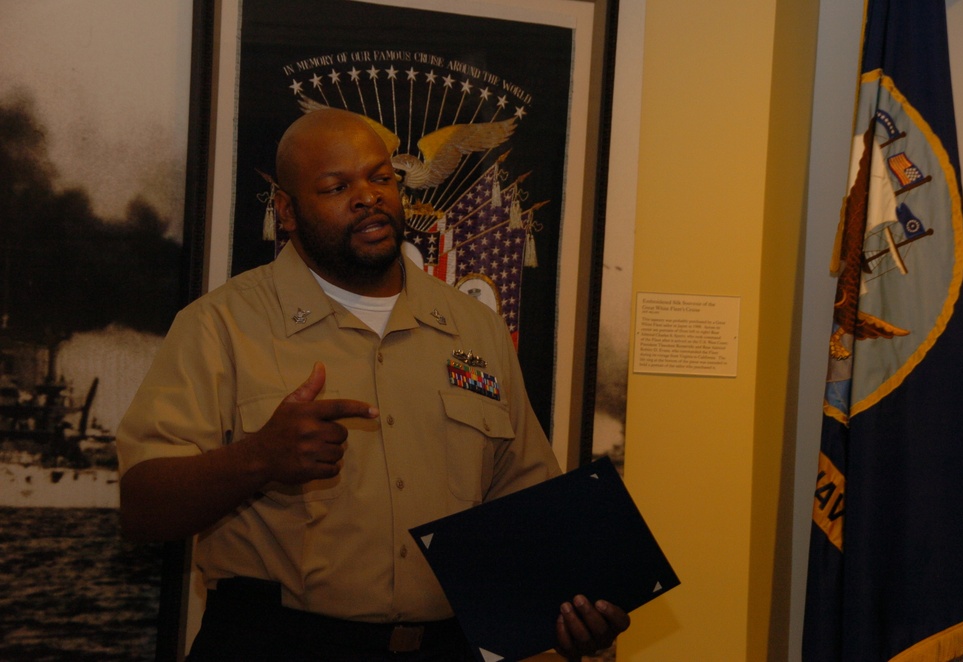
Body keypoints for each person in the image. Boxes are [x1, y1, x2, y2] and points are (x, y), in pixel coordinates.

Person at [116, 108, 629, 661]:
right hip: (277, 644)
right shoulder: (220, 324)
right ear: (286, 210)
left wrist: (571, 608)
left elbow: (525, 505)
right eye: (337, 186)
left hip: (447, 647)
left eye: (381, 178)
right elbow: (143, 508)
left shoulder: (474, 326)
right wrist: (259, 459)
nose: (368, 197)